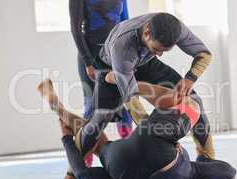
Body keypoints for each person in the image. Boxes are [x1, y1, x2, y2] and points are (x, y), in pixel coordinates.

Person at [38, 79, 236, 179]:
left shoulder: (189, 170)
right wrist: (65, 137)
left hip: (154, 143)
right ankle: (127, 89)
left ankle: (130, 86)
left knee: (192, 105)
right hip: (125, 167)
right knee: (99, 143)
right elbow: (82, 172)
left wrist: (203, 161)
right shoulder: (188, 172)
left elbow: (227, 171)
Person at [80, 12, 215, 165]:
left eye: (164, 50)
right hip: (111, 66)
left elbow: (204, 54)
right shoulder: (122, 46)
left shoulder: (174, 27)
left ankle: (207, 158)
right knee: (99, 120)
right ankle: (71, 175)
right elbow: (132, 102)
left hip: (145, 61)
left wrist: (190, 78)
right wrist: (162, 138)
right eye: (157, 48)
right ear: (146, 33)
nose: (160, 54)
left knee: (194, 99)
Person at [69, 0, 132, 137]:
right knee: (92, 106)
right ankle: (85, 155)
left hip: (116, 54)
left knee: (125, 103)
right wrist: (87, 61)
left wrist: (132, 54)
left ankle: (129, 149)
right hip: (91, 55)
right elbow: (75, 28)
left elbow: (126, 23)